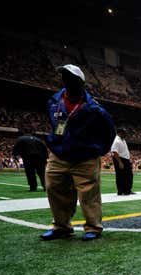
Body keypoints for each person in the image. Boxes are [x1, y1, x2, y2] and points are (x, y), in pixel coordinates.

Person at [41, 64, 115, 242]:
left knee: (89, 193)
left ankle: (93, 227)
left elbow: (110, 131)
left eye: (71, 78)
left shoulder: (94, 108)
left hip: (85, 157)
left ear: (81, 83)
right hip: (59, 154)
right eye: (64, 77)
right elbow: (56, 125)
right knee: (53, 188)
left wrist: (99, 150)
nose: (66, 81)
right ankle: (61, 226)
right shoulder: (54, 101)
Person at [111, 128, 134, 196]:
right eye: (124, 133)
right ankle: (121, 191)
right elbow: (114, 152)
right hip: (120, 159)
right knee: (121, 175)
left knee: (128, 175)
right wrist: (120, 162)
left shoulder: (122, 140)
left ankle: (127, 190)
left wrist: (128, 159)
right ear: (120, 133)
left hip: (125, 159)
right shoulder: (116, 141)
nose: (125, 134)